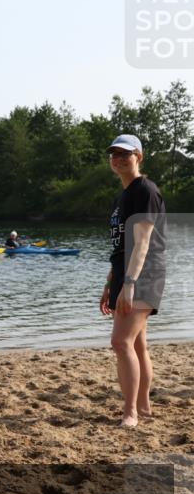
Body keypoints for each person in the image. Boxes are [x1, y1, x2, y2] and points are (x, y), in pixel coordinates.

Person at [99, 134, 166, 427]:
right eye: (114, 154)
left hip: (142, 274)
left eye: (125, 154)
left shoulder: (145, 190)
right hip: (125, 273)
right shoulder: (122, 196)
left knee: (120, 341)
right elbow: (121, 246)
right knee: (137, 344)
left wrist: (129, 284)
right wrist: (110, 283)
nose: (118, 158)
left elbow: (142, 243)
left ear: (138, 156)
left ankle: (131, 413)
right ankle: (144, 406)